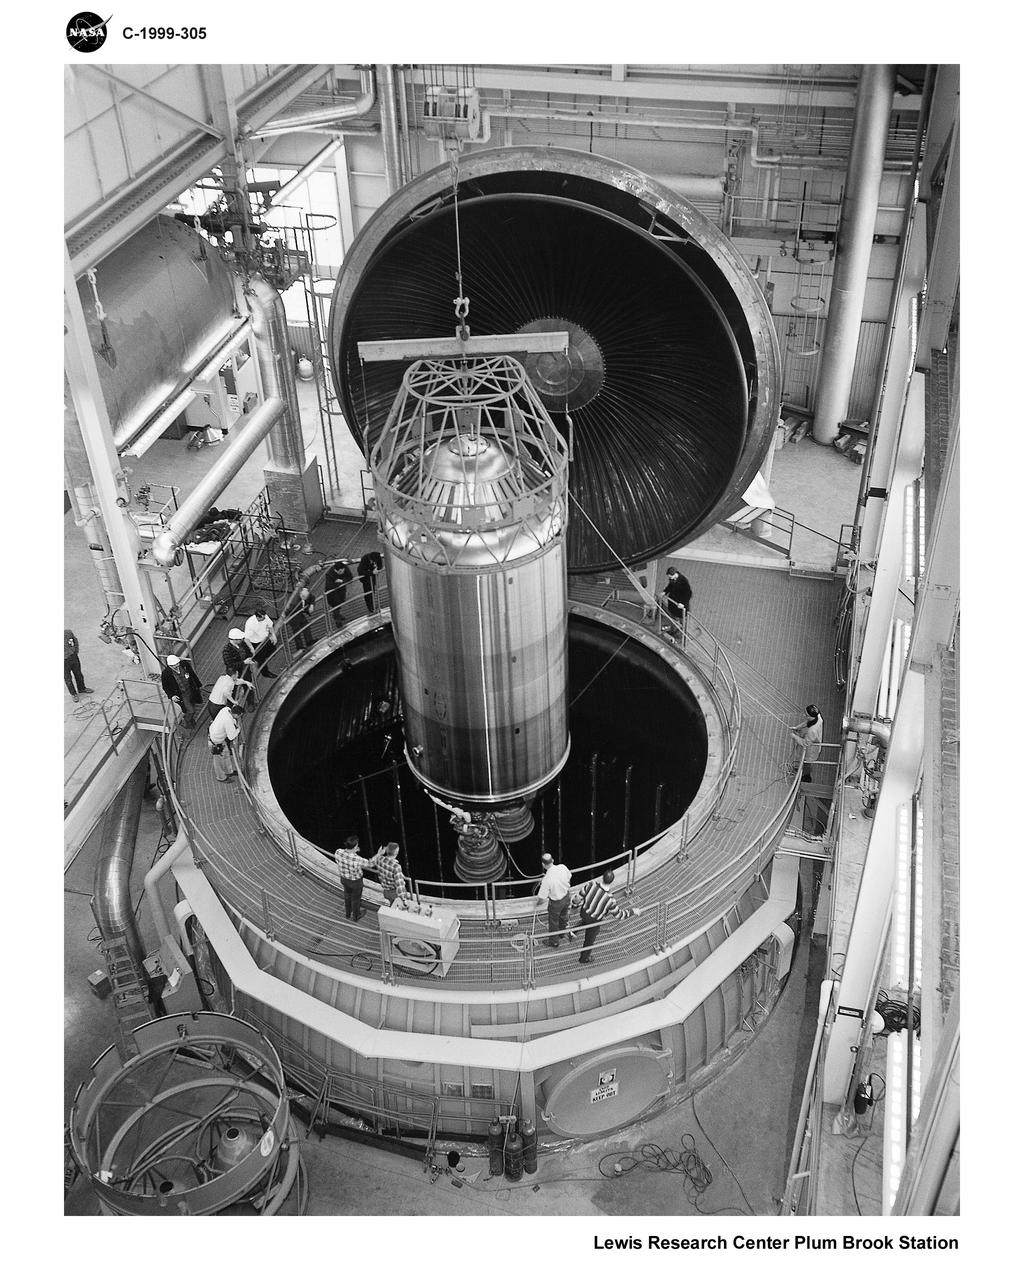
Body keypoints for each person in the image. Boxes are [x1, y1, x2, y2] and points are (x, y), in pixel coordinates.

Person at [572, 870, 638, 965]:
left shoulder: (591, 885)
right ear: (612, 882)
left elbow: (577, 898)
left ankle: (572, 932)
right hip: (594, 921)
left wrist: (574, 905)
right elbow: (620, 915)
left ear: (602, 877)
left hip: (584, 913)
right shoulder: (610, 900)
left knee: (585, 920)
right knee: (589, 940)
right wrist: (633, 911)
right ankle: (584, 958)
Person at [334, 835, 375, 922]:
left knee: (347, 896)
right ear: (355, 847)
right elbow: (371, 864)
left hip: (344, 879)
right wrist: (379, 854)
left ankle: (348, 914)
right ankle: (356, 916)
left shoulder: (338, 852)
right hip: (356, 882)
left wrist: (354, 851)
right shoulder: (357, 859)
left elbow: (339, 860)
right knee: (355, 899)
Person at [537, 852, 573, 948]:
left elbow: (542, 898)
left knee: (553, 922)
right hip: (566, 897)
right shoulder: (562, 867)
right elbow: (569, 877)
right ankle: (562, 933)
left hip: (556, 903)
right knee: (563, 916)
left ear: (543, 865)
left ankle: (554, 942)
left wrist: (537, 904)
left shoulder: (547, 879)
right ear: (552, 860)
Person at [160, 654, 202, 726]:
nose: (176, 666)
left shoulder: (184, 665)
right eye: (174, 665)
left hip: (191, 690)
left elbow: (192, 674)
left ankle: (190, 719)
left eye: (177, 664)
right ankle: (187, 720)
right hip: (182, 694)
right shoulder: (166, 674)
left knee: (193, 703)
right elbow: (165, 687)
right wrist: (172, 696)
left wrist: (198, 684)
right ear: (169, 666)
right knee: (191, 710)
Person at [788, 704, 823, 782]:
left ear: (811, 716)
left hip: (811, 749)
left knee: (807, 762)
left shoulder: (812, 731)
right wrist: (797, 727)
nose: (804, 716)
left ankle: (807, 777)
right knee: (804, 760)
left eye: (806, 715)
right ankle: (800, 768)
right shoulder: (818, 717)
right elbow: (807, 722)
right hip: (812, 743)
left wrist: (794, 736)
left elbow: (805, 743)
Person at [244, 600, 278, 677]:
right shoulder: (250, 624)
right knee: (261, 659)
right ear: (257, 617)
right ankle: (265, 673)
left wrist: (273, 635)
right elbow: (246, 638)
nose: (264, 619)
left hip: (265, 639)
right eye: (262, 618)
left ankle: (257, 658)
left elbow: (270, 625)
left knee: (273, 649)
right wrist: (251, 648)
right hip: (256, 643)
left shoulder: (264, 617)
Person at [208, 704, 240, 783]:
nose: (239, 718)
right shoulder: (228, 721)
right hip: (216, 741)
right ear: (236, 714)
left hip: (218, 738)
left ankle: (229, 771)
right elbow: (231, 737)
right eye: (239, 716)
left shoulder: (226, 710)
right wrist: (238, 729)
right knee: (218, 761)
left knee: (226, 754)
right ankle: (221, 777)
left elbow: (232, 721)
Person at [659, 566, 692, 635]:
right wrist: (665, 592)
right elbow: (670, 586)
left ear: (675, 574)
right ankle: (674, 630)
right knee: (674, 618)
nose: (670, 578)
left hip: (680, 606)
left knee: (682, 620)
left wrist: (682, 603)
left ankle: (683, 633)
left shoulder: (683, 581)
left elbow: (688, 594)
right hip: (673, 605)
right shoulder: (673, 579)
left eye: (670, 576)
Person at [64, 629, 94, 703]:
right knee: (68, 679)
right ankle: (73, 694)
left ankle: (81, 688)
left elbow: (75, 641)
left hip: (73, 657)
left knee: (78, 674)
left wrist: (75, 651)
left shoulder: (68, 633)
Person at [325, 559, 354, 627]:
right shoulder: (329, 574)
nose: (343, 572)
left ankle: (338, 615)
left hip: (341, 591)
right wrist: (339, 583)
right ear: (336, 570)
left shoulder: (344, 568)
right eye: (341, 571)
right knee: (335, 606)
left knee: (339, 604)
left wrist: (341, 581)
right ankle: (337, 621)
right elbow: (330, 586)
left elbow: (350, 577)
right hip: (332, 594)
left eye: (343, 570)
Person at [290, 583, 317, 651]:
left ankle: (309, 641)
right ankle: (299, 647)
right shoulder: (294, 601)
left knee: (306, 626)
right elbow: (288, 611)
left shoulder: (305, 594)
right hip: (293, 616)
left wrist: (311, 605)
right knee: (296, 631)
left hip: (300, 613)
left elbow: (312, 597)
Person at [357, 551, 384, 616]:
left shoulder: (377, 557)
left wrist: (377, 569)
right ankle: (370, 607)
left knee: (373, 591)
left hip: (372, 577)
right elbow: (360, 570)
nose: (374, 562)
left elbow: (380, 566)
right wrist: (371, 572)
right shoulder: (365, 558)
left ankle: (373, 604)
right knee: (367, 592)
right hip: (366, 579)